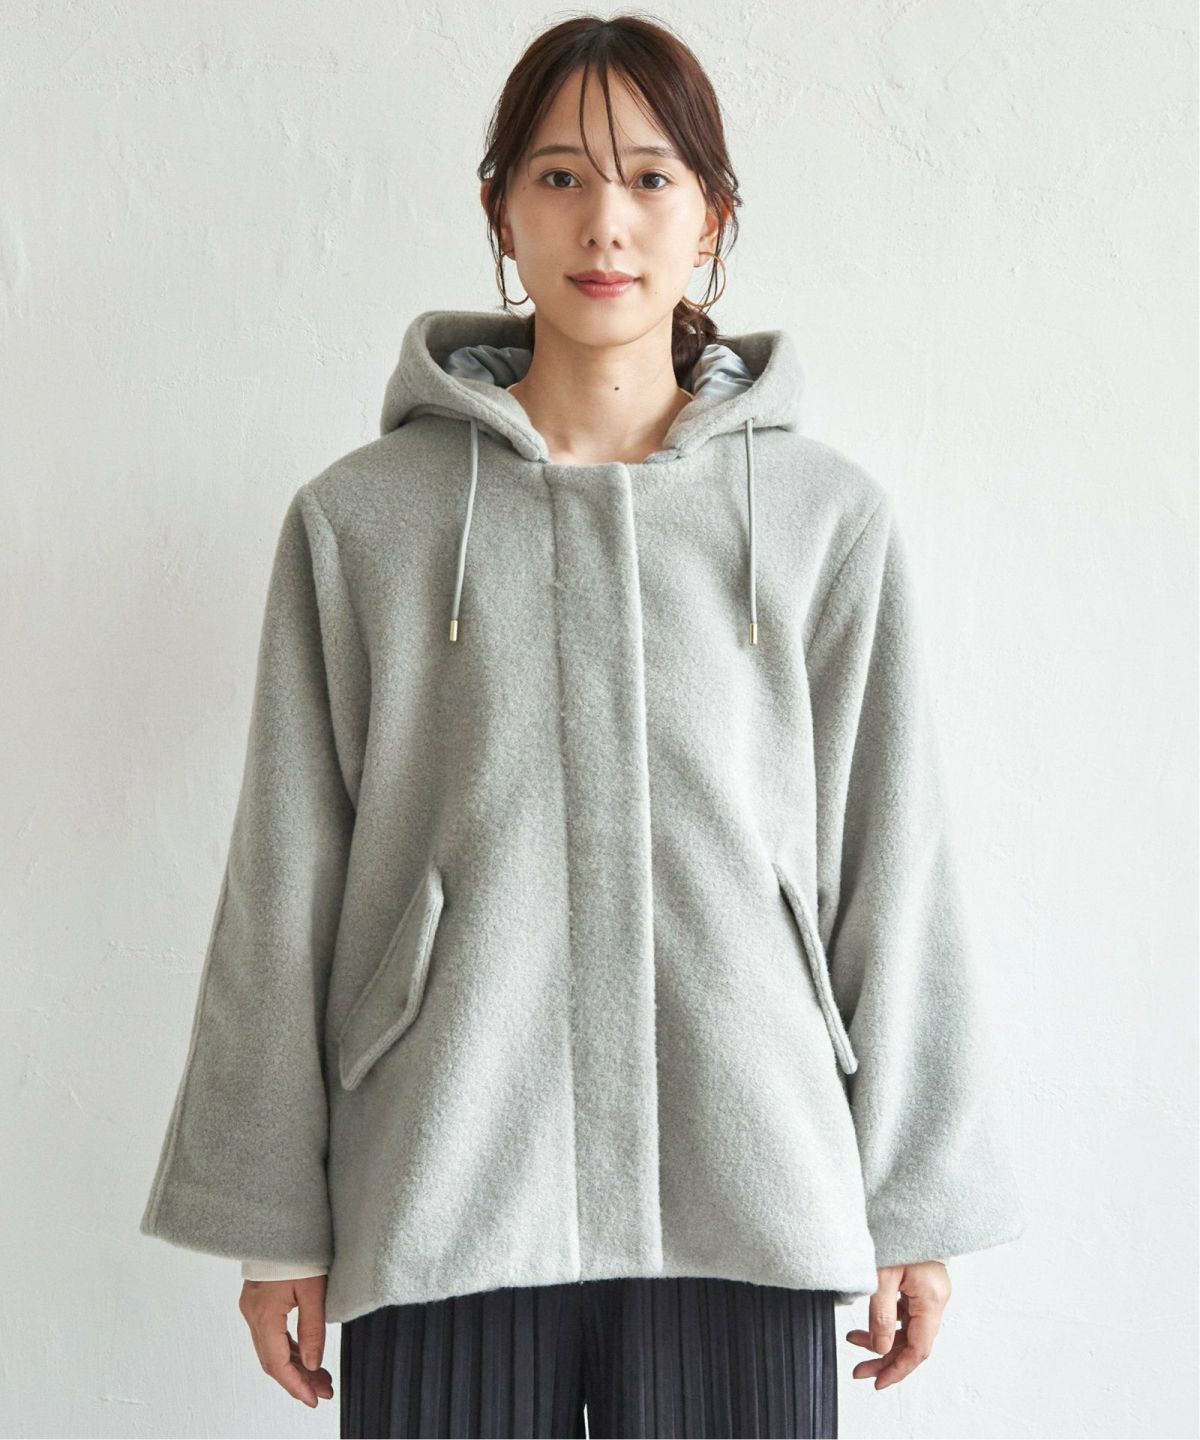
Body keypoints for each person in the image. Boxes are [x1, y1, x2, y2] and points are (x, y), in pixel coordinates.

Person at [138, 15, 1025, 1439]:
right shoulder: (365, 521)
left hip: (751, 1185)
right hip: (444, 1183)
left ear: (712, 216)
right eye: (559, 177)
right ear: (501, 210)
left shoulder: (822, 521)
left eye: (652, 178)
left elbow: (890, 864)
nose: (605, 221)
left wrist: (914, 1199)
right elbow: (282, 878)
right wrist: (271, 1219)